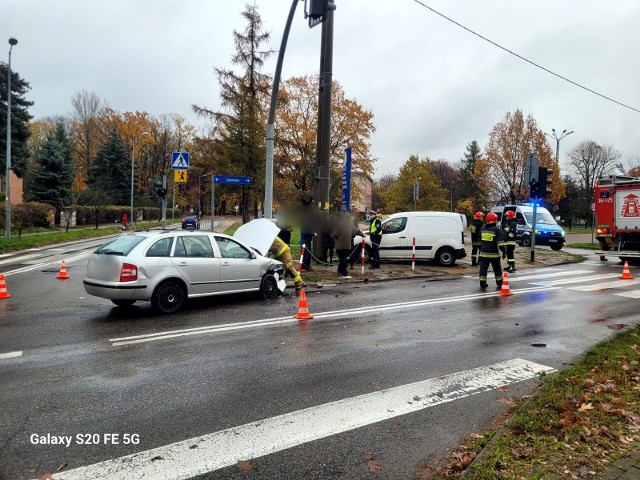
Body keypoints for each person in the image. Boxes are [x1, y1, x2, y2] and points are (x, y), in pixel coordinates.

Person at [333, 212, 365, 278]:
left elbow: (334, 235)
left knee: (342, 259)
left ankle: (341, 273)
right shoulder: (349, 225)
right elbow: (357, 231)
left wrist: (332, 235)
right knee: (344, 259)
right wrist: (363, 235)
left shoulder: (338, 225)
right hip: (347, 245)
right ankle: (343, 273)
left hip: (339, 246)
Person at [478, 212, 503, 290]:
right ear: (495, 220)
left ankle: (482, 283)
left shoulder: (482, 229)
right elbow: (500, 243)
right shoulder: (497, 230)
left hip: (483, 254)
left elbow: (479, 241)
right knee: (497, 269)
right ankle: (499, 282)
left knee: (483, 269)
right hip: (494, 254)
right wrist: (504, 251)